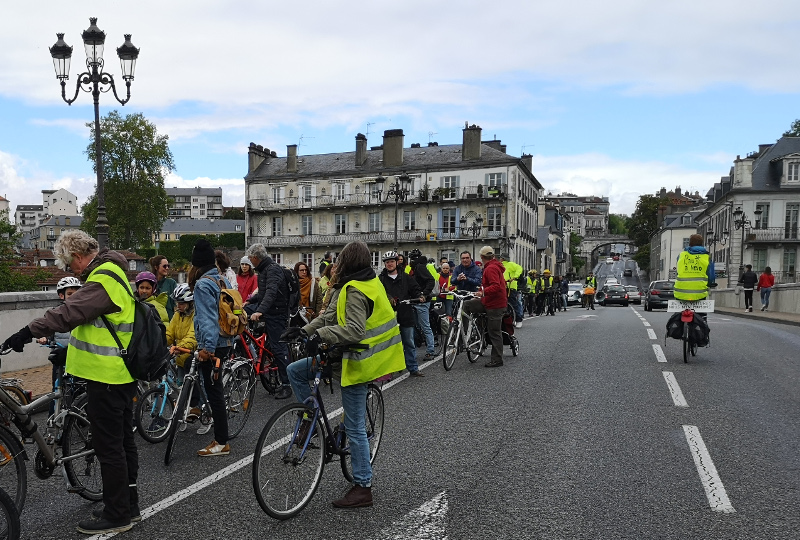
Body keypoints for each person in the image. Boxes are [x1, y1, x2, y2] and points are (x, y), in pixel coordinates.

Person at [2, 230, 140, 534]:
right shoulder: (112, 273)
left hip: (107, 376)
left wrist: (27, 330)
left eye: (68, 265)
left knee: (109, 447)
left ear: (77, 256)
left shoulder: (102, 277)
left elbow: (70, 312)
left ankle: (118, 514)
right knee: (122, 442)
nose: (69, 271)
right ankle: (129, 504)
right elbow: (96, 325)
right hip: (118, 373)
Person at [282, 241, 405, 508]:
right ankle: (310, 420)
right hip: (343, 354)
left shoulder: (356, 289)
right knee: (295, 370)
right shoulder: (355, 283)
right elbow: (328, 318)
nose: (336, 265)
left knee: (356, 428)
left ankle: (363, 486)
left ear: (348, 262)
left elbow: (354, 330)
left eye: (340, 260)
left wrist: (321, 335)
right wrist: (304, 331)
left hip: (359, 360)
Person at [189, 239, 232, 456]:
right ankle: (221, 438)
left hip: (212, 344)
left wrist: (207, 348)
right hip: (226, 340)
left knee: (214, 392)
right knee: (217, 391)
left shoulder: (203, 284)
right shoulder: (222, 280)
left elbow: (207, 319)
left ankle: (221, 442)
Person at [244, 243, 292, 399]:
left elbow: (271, 293)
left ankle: (287, 385)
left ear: (256, 258)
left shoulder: (273, 269)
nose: (250, 262)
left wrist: (259, 310)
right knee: (240, 313)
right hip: (269, 310)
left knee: (279, 348)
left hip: (277, 313)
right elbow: (264, 293)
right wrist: (251, 302)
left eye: (251, 259)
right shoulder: (264, 269)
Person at [36, 276, 82, 415]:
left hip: (78, 357)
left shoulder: (84, 314)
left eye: (76, 294)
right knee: (57, 389)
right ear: (61, 295)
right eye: (69, 294)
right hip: (60, 356)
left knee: (81, 389)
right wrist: (44, 338)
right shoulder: (56, 313)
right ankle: (52, 418)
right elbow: (48, 329)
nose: (73, 297)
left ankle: (81, 414)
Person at [378, 250, 425, 376]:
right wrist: (388, 298)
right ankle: (390, 369)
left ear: (397, 262)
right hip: (389, 316)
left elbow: (415, 288)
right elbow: (378, 293)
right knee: (390, 344)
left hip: (405, 314)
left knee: (409, 342)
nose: (390, 264)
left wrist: (420, 295)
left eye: (392, 261)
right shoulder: (380, 279)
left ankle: (413, 368)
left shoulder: (405, 277)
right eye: (387, 262)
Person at [462, 246, 507, 368]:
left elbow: (496, 286)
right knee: (467, 304)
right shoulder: (493, 266)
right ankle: (470, 332)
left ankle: (497, 359)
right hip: (489, 301)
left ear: (481, 257)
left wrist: (483, 293)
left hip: (495, 304)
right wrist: (481, 292)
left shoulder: (491, 268)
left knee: (494, 332)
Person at [165, 284, 197, 384]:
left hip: (192, 360)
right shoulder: (178, 314)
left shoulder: (196, 314)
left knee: (195, 392)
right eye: (177, 302)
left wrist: (178, 348)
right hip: (180, 359)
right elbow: (169, 333)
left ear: (191, 303)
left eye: (182, 303)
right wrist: (159, 342)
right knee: (180, 389)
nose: (178, 306)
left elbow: (192, 337)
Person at [409, 249, 436, 361]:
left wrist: (424, 293)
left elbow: (431, 280)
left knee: (425, 326)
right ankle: (419, 345)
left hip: (422, 301)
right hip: (415, 300)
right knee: (416, 326)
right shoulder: (415, 268)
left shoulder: (419, 267)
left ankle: (430, 351)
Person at [674, 234, 716, 306]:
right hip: (700, 293)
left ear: (690, 243)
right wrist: (710, 283)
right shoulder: (706, 257)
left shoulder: (681, 255)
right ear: (701, 243)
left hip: (680, 292)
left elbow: (679, 271)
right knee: (701, 314)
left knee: (679, 313)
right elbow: (711, 276)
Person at [497, 253, 523, 327]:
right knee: (503, 304)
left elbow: (519, 268)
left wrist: (515, 277)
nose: (499, 259)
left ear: (503, 259)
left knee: (512, 303)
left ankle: (518, 319)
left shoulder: (511, 264)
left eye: (500, 258)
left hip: (510, 286)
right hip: (502, 287)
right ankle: (509, 319)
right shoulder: (499, 266)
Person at [151, 255, 178, 320]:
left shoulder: (171, 283)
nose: (167, 268)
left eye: (168, 266)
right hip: (153, 319)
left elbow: (176, 304)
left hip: (169, 320)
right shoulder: (150, 282)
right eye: (164, 266)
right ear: (156, 267)